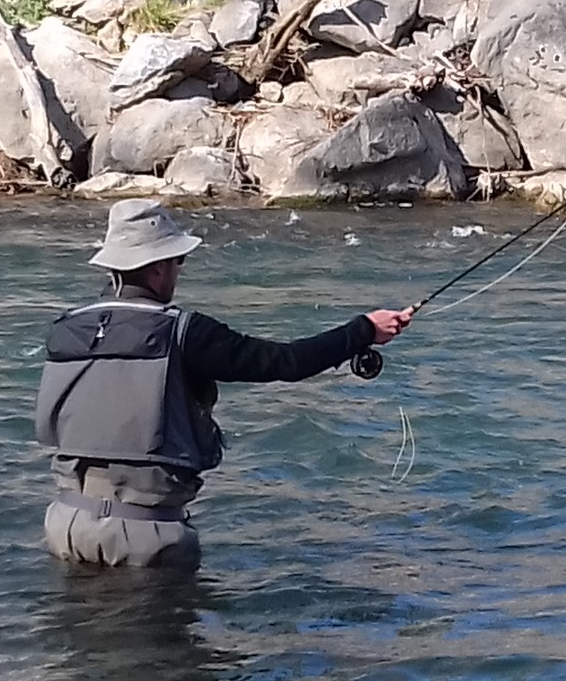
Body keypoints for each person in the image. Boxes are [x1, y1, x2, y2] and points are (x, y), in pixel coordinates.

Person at [35, 200, 413, 568]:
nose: (178, 270)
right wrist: (363, 330)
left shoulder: (67, 330)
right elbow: (285, 362)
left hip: (66, 525)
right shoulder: (186, 333)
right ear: (157, 269)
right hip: (145, 538)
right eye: (177, 260)